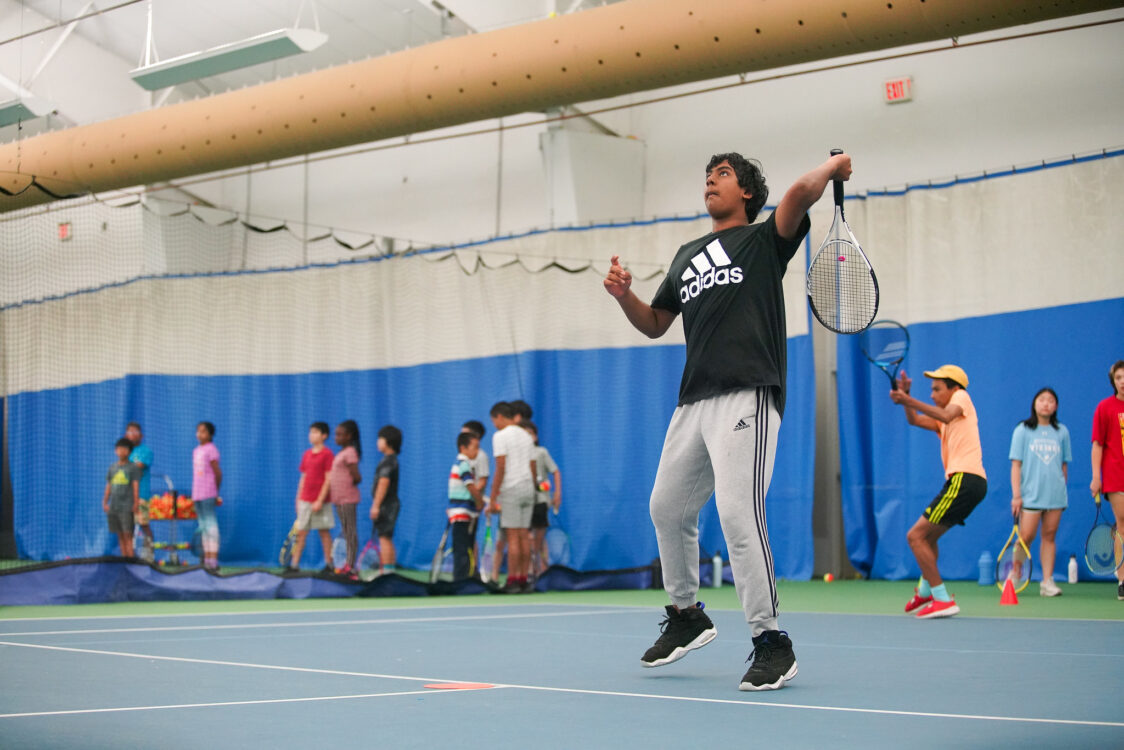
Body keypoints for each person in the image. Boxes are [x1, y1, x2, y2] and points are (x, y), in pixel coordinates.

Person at [603, 151, 849, 690]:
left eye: (723, 175)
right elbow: (654, 324)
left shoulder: (765, 240)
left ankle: (771, 643)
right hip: (693, 401)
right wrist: (626, 297)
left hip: (747, 395)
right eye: (707, 174)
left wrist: (832, 168)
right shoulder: (687, 254)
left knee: (739, 514)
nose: (711, 181)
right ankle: (687, 615)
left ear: (747, 194)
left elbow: (800, 196)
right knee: (667, 507)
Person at [890, 365, 987, 619]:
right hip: (966, 482)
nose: (932, 394)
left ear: (953, 388)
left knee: (915, 537)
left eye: (936, 389)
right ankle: (925, 591)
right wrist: (906, 399)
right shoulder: (944, 418)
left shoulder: (961, 398)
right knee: (928, 538)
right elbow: (914, 420)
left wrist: (908, 398)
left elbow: (945, 415)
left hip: (965, 479)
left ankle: (942, 598)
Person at [1008, 387, 1071, 597]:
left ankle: (1047, 581)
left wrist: (1061, 488)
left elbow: (1064, 465)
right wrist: (1017, 495)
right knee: (1025, 537)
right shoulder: (1023, 430)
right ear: (1034, 404)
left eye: (1051, 400)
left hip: (1055, 496)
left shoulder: (1061, 431)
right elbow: (1016, 465)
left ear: (1056, 407)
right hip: (1030, 496)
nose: (1046, 403)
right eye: (1042, 399)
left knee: (1050, 536)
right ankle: (1013, 576)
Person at [489, 401, 537, 593]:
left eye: (494, 420)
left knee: (513, 537)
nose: (494, 424)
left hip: (511, 488)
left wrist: (493, 497)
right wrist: (532, 487)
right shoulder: (526, 435)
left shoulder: (500, 436)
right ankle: (524, 580)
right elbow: (532, 466)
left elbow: (500, 467)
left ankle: (512, 581)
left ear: (500, 417)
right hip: (528, 488)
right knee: (524, 536)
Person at [1090, 359, 1124, 600]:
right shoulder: (1105, 408)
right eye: (1119, 378)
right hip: (1115, 476)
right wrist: (1095, 477)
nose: (1123, 381)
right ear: (1113, 382)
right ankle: (1122, 579)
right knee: (1122, 526)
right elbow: (1097, 445)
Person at [288, 422, 335, 573]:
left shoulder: (327, 454)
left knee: (324, 532)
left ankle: (329, 564)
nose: (311, 435)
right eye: (310, 432)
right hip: (305, 500)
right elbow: (303, 477)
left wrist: (320, 500)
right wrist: (298, 498)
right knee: (301, 532)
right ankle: (294, 565)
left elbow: (329, 479)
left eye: (315, 432)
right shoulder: (307, 454)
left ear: (324, 436)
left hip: (322, 502)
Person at [524, 420, 561, 577]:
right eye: (525, 433)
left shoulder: (541, 452)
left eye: (531, 433)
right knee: (527, 537)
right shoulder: (518, 454)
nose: (528, 436)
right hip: (524, 501)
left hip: (540, 501)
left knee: (539, 537)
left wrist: (557, 493)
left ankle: (540, 569)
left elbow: (555, 471)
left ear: (536, 436)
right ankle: (529, 569)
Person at [448, 431, 486, 580]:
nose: (477, 452)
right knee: (462, 547)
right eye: (474, 448)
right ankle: (461, 579)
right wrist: (479, 501)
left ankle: (466, 576)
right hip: (461, 513)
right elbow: (470, 486)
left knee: (465, 546)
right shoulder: (463, 465)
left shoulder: (463, 464)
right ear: (463, 448)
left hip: (464, 512)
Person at [330, 420, 363, 578]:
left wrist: (348, 484)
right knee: (346, 531)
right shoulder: (343, 452)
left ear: (349, 436)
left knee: (350, 533)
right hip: (339, 500)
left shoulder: (350, 452)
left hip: (347, 499)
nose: (336, 437)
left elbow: (357, 476)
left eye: (340, 434)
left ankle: (351, 567)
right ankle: (346, 565)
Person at [371, 425, 402, 571]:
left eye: (380, 439)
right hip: (389, 505)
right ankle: (389, 569)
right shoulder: (390, 460)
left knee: (384, 538)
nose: (378, 442)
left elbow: (384, 482)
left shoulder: (389, 461)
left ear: (388, 441)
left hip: (387, 505)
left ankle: (387, 572)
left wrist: (376, 505)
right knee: (386, 537)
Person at [192, 421, 223, 570]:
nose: (200, 434)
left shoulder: (211, 450)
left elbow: (218, 473)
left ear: (210, 434)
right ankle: (205, 559)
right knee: (203, 526)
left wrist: (215, 492)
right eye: (198, 431)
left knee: (211, 525)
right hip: (197, 494)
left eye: (203, 431)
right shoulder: (196, 450)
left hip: (208, 493)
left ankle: (213, 559)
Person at [103, 437, 140, 557]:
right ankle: (124, 560)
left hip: (127, 507)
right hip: (114, 506)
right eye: (118, 449)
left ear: (129, 451)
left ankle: (131, 560)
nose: (121, 451)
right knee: (120, 534)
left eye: (124, 449)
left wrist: (135, 503)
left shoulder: (133, 468)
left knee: (128, 534)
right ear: (115, 451)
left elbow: (135, 486)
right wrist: (105, 502)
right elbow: (108, 485)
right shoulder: (112, 468)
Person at [126, 422, 155, 560]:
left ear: (141, 435)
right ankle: (130, 556)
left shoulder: (145, 451)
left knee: (143, 524)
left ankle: (149, 555)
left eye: (134, 431)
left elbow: (137, 468)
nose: (131, 434)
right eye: (129, 432)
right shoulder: (125, 452)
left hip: (141, 496)